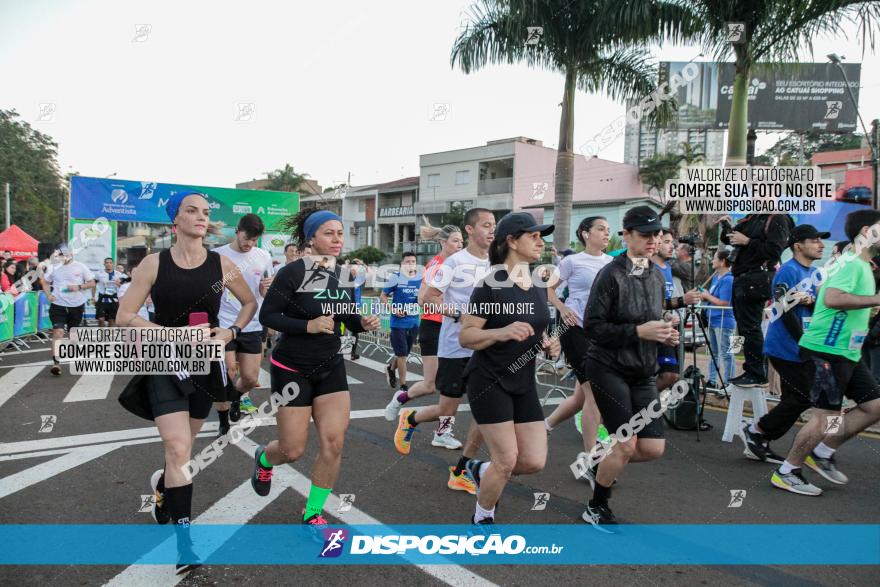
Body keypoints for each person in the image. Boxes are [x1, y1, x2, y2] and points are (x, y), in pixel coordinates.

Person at [116, 191, 257, 574]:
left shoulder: (221, 264)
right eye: (191, 210)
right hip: (165, 361)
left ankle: (163, 488)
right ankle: (185, 546)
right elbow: (125, 316)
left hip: (205, 364)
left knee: (183, 450)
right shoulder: (153, 264)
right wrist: (166, 334)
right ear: (174, 220)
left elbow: (250, 303)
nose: (200, 217)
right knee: (178, 448)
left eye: (205, 212)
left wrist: (230, 333)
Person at [250, 209, 380, 528]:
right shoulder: (293, 273)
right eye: (328, 233)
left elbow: (347, 318)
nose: (337, 240)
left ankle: (313, 511)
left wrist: (362, 323)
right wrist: (307, 325)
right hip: (291, 367)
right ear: (312, 238)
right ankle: (264, 458)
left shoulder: (345, 274)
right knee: (292, 449)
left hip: (330, 365)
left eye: (340, 233)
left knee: (334, 441)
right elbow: (269, 316)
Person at [459, 212, 560, 524]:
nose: (540, 242)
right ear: (512, 241)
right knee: (506, 459)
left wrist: (548, 343)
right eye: (533, 236)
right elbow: (467, 335)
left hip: (524, 380)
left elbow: (535, 327)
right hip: (489, 380)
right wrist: (500, 332)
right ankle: (482, 517)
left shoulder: (538, 284)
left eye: (541, 236)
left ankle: (478, 469)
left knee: (533, 461)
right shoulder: (491, 284)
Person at [581, 206, 679, 528]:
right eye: (645, 235)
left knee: (652, 448)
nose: (653, 241)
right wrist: (639, 332)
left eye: (657, 235)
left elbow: (649, 315)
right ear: (626, 236)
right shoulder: (610, 274)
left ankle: (601, 459)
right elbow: (593, 327)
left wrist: (665, 327)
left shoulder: (655, 273)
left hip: (642, 370)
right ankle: (596, 505)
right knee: (625, 443)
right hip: (607, 367)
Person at [771, 210, 880, 496]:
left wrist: (869, 307)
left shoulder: (862, 263)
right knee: (825, 416)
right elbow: (832, 299)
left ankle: (822, 450)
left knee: (874, 406)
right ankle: (788, 471)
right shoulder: (851, 262)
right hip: (827, 351)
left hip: (847, 352)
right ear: (869, 229)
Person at [392, 208, 495, 495]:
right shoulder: (453, 263)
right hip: (455, 347)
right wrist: (461, 315)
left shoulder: (496, 263)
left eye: (494, 226)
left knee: (485, 410)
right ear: (470, 229)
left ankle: (462, 470)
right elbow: (427, 298)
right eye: (485, 225)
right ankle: (410, 418)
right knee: (446, 410)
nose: (491, 230)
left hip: (485, 348)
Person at [740, 225, 827, 463]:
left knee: (795, 398)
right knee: (803, 397)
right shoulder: (788, 271)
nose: (821, 245)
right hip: (785, 347)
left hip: (801, 345)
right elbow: (784, 310)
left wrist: (811, 300)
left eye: (821, 240)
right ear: (798, 245)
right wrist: (804, 341)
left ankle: (760, 437)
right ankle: (757, 431)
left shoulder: (814, 272)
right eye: (815, 240)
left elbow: (818, 304)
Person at [544, 216, 611, 485]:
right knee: (593, 394)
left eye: (608, 230)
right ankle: (589, 460)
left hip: (601, 334)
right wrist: (563, 308)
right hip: (575, 330)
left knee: (582, 397)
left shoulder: (611, 263)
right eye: (601, 229)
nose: (606, 234)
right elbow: (548, 291)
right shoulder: (571, 261)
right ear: (585, 234)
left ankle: (544, 426)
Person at [384, 222, 464, 450]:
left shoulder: (462, 265)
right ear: (442, 243)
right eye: (455, 241)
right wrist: (452, 311)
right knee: (430, 385)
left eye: (461, 241)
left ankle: (442, 432)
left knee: (453, 387)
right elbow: (422, 298)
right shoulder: (436, 265)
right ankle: (400, 399)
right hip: (434, 326)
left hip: (455, 329)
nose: (460, 245)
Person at [213, 214, 274, 435]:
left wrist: (267, 290)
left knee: (250, 378)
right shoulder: (217, 255)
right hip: (223, 324)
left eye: (254, 240)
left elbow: (266, 289)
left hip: (253, 323)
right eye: (247, 238)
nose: (249, 244)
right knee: (228, 371)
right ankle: (222, 420)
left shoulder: (263, 256)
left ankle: (236, 397)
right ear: (237, 231)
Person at [719, 213, 793, 387]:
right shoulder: (751, 218)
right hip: (742, 278)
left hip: (756, 279)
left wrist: (748, 241)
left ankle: (757, 372)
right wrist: (726, 226)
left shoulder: (777, 218)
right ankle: (752, 370)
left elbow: (776, 248)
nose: (757, 196)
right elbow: (731, 239)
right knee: (745, 328)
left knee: (751, 328)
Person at [42, 245, 97, 376]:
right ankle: (56, 363)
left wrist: (79, 286)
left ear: (71, 254)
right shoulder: (53, 267)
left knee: (73, 336)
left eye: (66, 254)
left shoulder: (81, 266)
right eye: (61, 255)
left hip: (76, 306)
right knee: (58, 333)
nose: (63, 257)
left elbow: (92, 283)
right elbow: (44, 281)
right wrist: (49, 295)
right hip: (58, 305)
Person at [381, 252, 421, 396]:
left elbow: (424, 296)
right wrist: (393, 309)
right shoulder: (396, 277)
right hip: (398, 323)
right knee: (403, 355)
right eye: (408, 261)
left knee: (403, 353)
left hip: (414, 322)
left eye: (413, 261)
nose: (411, 264)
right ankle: (404, 385)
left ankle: (391, 369)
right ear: (402, 264)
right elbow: (383, 296)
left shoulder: (420, 279)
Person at [701, 250, 736, 390]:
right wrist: (705, 296)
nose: (712, 261)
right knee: (713, 353)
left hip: (724, 322)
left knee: (727, 353)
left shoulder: (728, 279)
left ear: (722, 261)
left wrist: (707, 296)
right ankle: (713, 380)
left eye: (714, 258)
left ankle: (728, 382)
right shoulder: (716, 277)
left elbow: (725, 302)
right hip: (713, 319)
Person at [94, 257, 125, 327]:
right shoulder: (99, 274)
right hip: (102, 298)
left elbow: (123, 287)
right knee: (101, 319)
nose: (108, 264)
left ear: (113, 264)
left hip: (113, 298)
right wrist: (94, 296)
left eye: (110, 263)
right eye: (107, 263)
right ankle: (101, 336)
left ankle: (108, 336)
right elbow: (94, 284)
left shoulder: (119, 274)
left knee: (111, 320)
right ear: (104, 264)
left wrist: (119, 284)